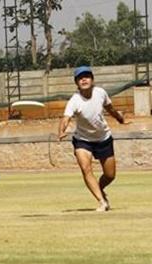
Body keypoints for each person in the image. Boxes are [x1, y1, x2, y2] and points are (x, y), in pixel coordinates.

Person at [58, 66, 126, 212]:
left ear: (92, 80)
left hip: (104, 138)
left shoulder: (100, 92)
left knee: (110, 175)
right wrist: (61, 131)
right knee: (85, 168)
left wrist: (119, 118)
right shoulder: (74, 100)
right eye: (80, 78)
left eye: (87, 76)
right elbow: (65, 118)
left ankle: (99, 188)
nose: (84, 79)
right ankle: (102, 202)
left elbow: (110, 108)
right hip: (83, 140)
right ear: (76, 83)